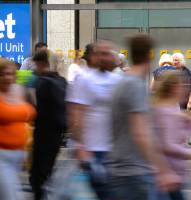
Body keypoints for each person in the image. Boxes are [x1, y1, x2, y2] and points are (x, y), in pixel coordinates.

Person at [108, 35, 180, 200]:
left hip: (120, 168)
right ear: (150, 55)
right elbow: (141, 134)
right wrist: (164, 170)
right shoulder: (135, 85)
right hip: (134, 172)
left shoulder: (121, 82)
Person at [67, 40, 122, 199]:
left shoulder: (117, 81)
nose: (106, 57)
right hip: (93, 152)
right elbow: (76, 115)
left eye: (109, 53)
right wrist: (81, 148)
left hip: (114, 152)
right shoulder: (83, 79)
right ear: (94, 57)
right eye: (102, 53)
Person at [152, 71, 191, 200]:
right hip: (166, 177)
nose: (186, 89)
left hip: (175, 175)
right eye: (183, 86)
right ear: (173, 88)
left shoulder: (173, 108)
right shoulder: (164, 111)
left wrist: (188, 120)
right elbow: (168, 145)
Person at [29, 50, 67, 200]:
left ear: (41, 63)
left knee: (39, 174)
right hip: (57, 134)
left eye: (36, 65)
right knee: (47, 170)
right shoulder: (62, 81)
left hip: (43, 133)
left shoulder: (42, 82)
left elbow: (37, 109)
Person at [0, 58, 36, 200]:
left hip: (18, 155)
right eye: (3, 74)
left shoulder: (19, 90)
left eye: (10, 74)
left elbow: (30, 113)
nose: (7, 77)